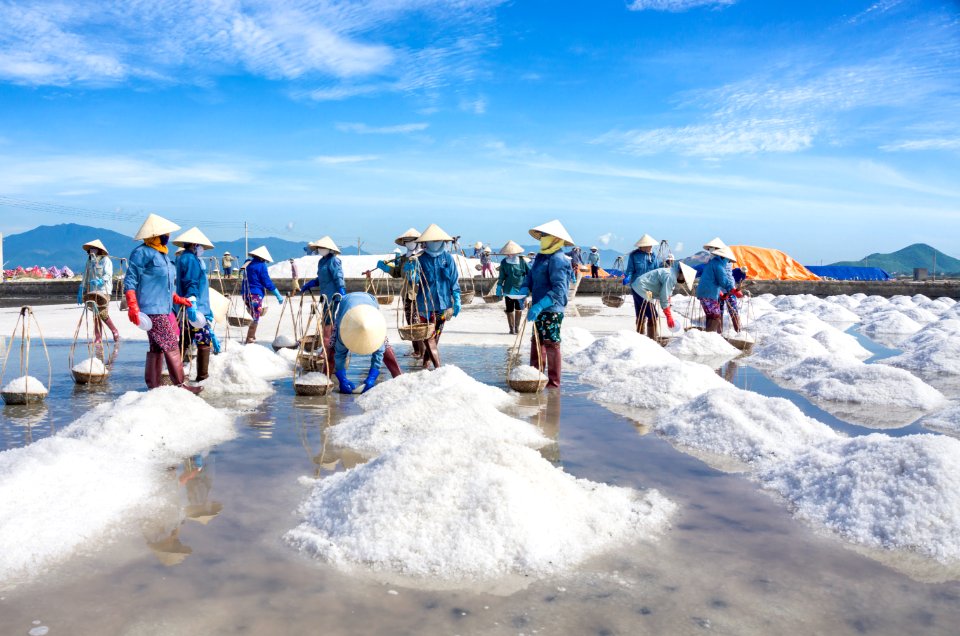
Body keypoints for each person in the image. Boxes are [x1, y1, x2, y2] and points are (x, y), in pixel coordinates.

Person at [123, 213, 201, 394]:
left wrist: (179, 299)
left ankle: (153, 385)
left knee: (157, 346)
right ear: (155, 235)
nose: (168, 237)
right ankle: (181, 384)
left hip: (164, 308)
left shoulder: (163, 255)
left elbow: (165, 287)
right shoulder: (142, 253)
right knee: (171, 343)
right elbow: (131, 280)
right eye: (165, 233)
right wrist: (132, 305)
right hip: (151, 310)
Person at [517, 219, 574, 388]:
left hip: (551, 308)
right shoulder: (540, 257)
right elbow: (530, 277)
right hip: (538, 305)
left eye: (545, 236)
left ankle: (553, 383)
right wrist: (524, 288)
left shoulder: (559, 259)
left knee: (551, 342)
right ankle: (535, 377)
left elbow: (559, 290)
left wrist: (541, 305)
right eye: (541, 236)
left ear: (556, 239)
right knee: (536, 341)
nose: (542, 238)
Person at [404, 223, 461, 369]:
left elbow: (454, 280)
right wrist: (411, 272)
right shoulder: (420, 259)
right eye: (432, 241)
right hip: (425, 305)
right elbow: (414, 281)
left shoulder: (447, 259)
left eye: (437, 241)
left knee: (436, 336)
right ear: (425, 242)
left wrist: (456, 298)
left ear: (443, 241)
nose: (435, 244)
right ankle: (439, 368)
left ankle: (425, 363)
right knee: (428, 336)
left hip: (443, 305)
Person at [173, 227, 222, 382]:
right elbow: (191, 282)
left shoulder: (184, 258)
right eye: (199, 246)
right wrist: (193, 301)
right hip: (194, 307)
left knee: (184, 340)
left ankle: (175, 375)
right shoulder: (190, 259)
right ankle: (202, 376)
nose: (201, 249)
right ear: (194, 244)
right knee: (203, 339)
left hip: (189, 306)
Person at [331, 292, 403, 393]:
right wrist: (342, 379)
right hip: (346, 303)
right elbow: (339, 355)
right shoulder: (343, 331)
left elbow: (378, 354)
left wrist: (371, 378)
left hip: (370, 304)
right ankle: (324, 378)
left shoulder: (377, 331)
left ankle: (400, 378)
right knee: (332, 346)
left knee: (385, 347)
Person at [371, 227, 423, 358]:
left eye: (412, 241)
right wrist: (387, 267)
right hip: (406, 294)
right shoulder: (405, 258)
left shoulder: (422, 257)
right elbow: (397, 273)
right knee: (410, 322)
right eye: (407, 241)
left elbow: (424, 276)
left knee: (418, 323)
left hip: (419, 295)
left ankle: (421, 351)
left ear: (417, 241)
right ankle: (416, 350)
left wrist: (415, 276)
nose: (409, 243)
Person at [299, 236, 345, 373]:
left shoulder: (334, 261)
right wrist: (311, 284)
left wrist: (342, 290)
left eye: (322, 248)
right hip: (325, 297)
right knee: (325, 322)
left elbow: (338, 276)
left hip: (333, 296)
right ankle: (326, 348)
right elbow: (321, 278)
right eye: (318, 248)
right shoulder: (321, 262)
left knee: (328, 323)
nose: (320, 250)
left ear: (329, 249)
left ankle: (328, 349)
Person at [631, 259, 697, 339]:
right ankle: (651, 340)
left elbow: (667, 294)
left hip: (641, 287)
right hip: (643, 289)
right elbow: (664, 295)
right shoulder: (671, 277)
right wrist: (668, 315)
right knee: (653, 316)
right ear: (682, 273)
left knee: (642, 314)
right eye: (684, 278)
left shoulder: (672, 272)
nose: (683, 281)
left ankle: (640, 338)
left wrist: (667, 304)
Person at [78, 239, 120, 343]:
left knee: (102, 313)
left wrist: (101, 281)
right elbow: (86, 275)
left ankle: (114, 330)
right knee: (95, 314)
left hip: (103, 290)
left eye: (94, 249)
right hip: (92, 291)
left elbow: (108, 274)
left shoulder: (106, 260)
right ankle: (98, 337)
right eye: (90, 249)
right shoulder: (89, 261)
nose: (92, 251)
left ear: (99, 250)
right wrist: (82, 288)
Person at [241, 245, 284, 344]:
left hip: (245, 294)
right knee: (255, 316)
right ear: (262, 258)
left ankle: (252, 336)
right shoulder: (261, 266)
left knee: (252, 314)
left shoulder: (247, 263)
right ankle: (250, 338)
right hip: (255, 294)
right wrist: (277, 294)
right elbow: (266, 282)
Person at [696, 240, 737, 334]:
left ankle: (709, 335)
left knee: (710, 315)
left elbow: (712, 280)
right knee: (715, 316)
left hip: (706, 292)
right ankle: (710, 337)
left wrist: (720, 292)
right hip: (709, 293)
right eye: (727, 260)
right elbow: (723, 280)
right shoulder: (718, 265)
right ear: (723, 257)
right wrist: (732, 289)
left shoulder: (712, 263)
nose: (728, 262)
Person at [622, 234, 663, 320]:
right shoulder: (634, 256)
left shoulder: (654, 256)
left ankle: (652, 330)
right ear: (643, 246)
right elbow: (630, 269)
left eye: (651, 245)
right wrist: (628, 277)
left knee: (650, 308)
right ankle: (640, 330)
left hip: (649, 288)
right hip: (636, 286)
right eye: (649, 245)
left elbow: (657, 271)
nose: (651, 247)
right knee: (640, 310)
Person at [495, 240, 529, 334]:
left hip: (521, 290)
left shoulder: (522, 261)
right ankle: (511, 329)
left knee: (519, 309)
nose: (508, 255)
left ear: (515, 252)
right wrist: (499, 287)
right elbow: (501, 276)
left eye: (510, 253)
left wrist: (529, 286)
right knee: (509, 309)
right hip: (508, 290)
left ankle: (517, 328)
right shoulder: (504, 262)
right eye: (507, 253)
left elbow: (529, 274)